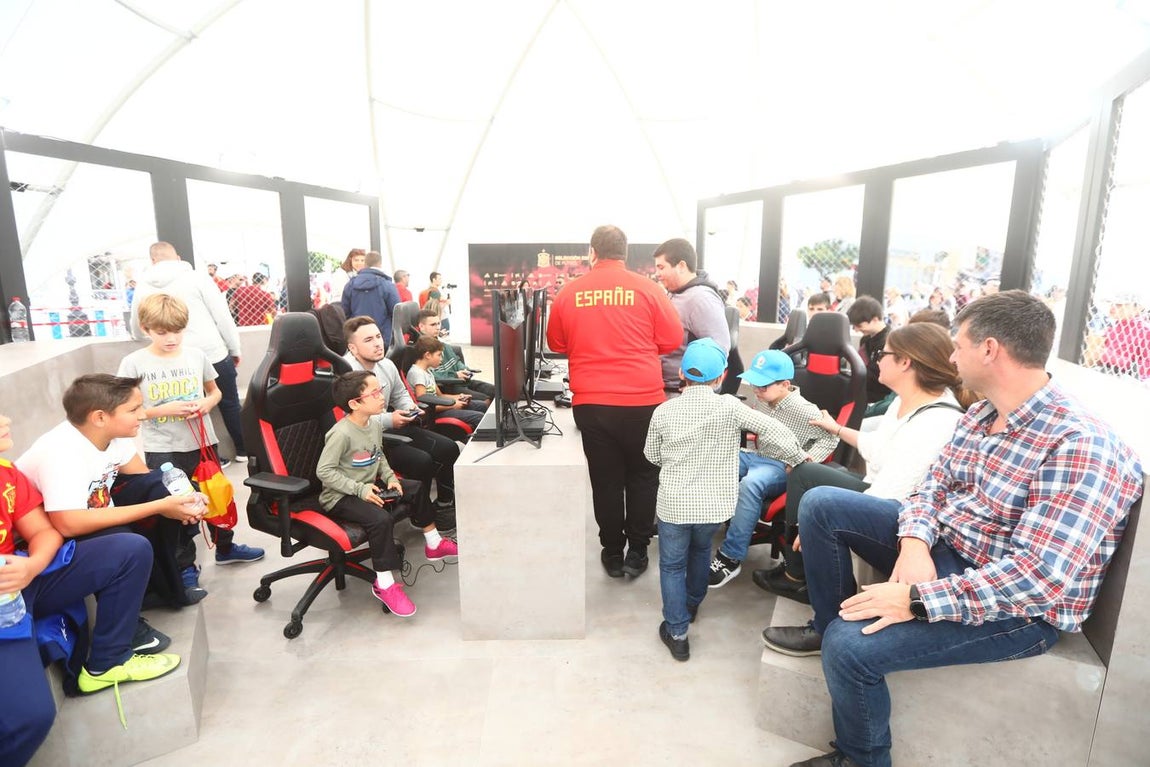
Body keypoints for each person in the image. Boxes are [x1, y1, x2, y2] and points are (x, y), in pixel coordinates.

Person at [763, 291, 1144, 767]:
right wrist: (915, 540)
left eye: (957, 344)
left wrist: (916, 600)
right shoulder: (982, 414)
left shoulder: (1079, 445)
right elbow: (931, 489)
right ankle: (829, 620)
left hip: (1019, 611)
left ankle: (861, 758)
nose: (949, 356)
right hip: (949, 551)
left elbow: (1038, 580)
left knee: (849, 646)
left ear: (989, 349)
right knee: (821, 504)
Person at [0, 414, 182, 767]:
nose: (6, 420)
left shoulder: (5, 472)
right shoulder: (60, 451)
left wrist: (32, 566)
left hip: (17, 589)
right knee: (29, 717)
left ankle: (108, 661)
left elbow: (45, 532)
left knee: (128, 549)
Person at [754, 322, 969, 604]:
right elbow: (878, 449)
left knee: (820, 503)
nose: (877, 360)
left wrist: (815, 524)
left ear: (905, 362)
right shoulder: (906, 401)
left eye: (883, 353)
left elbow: (893, 496)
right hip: (879, 490)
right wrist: (837, 429)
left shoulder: (936, 422)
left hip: (899, 517)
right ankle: (796, 574)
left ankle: (814, 589)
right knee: (805, 473)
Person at [16, 374, 210, 651]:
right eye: (133, 410)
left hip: (86, 516)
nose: (143, 416)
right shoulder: (61, 453)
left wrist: (184, 499)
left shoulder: (114, 436)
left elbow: (146, 478)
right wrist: (160, 507)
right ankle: (125, 633)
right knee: (123, 535)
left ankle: (160, 588)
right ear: (99, 417)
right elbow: (68, 524)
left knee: (165, 487)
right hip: (47, 539)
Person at [644, 339, 809, 661]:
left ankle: (677, 631)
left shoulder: (663, 410)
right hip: (713, 506)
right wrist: (797, 457)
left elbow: (651, 456)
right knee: (701, 552)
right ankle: (691, 606)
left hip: (674, 506)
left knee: (672, 564)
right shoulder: (731, 407)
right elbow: (774, 429)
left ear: (681, 373)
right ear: (721, 376)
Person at [546, 225, 683, 579]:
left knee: (606, 480)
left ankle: (611, 550)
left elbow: (557, 343)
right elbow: (671, 340)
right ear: (625, 252)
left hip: (592, 403)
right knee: (643, 476)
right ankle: (637, 551)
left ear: (592, 252)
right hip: (643, 402)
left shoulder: (569, 292)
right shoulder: (650, 290)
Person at [117, 293, 264, 585]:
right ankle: (184, 566)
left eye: (177, 331)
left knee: (216, 495)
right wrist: (163, 410)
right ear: (145, 329)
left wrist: (208, 403)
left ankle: (225, 546)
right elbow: (123, 411)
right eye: (162, 332)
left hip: (203, 443)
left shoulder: (196, 356)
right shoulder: (134, 363)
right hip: (163, 449)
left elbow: (215, 391)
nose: (171, 338)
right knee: (179, 507)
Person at [316, 371, 456, 618]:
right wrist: (359, 489)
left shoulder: (373, 425)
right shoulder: (341, 433)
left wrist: (391, 478)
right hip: (340, 496)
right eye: (375, 393)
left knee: (415, 488)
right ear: (354, 403)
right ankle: (385, 584)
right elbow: (324, 471)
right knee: (380, 519)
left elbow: (378, 456)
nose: (382, 397)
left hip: (368, 487)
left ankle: (434, 543)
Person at [707, 350, 836, 588]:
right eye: (754, 384)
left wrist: (805, 463)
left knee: (750, 484)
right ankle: (700, 529)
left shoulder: (805, 409)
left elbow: (830, 439)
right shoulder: (764, 399)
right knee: (713, 461)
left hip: (781, 465)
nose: (756, 391)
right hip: (757, 455)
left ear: (785, 384)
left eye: (762, 386)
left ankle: (731, 557)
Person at [131, 242, 247, 466]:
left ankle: (209, 459)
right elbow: (222, 316)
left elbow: (135, 326)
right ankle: (242, 451)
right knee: (230, 404)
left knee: (181, 406)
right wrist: (234, 349)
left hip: (169, 364)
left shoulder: (142, 284)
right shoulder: (198, 277)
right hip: (212, 351)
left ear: (153, 260)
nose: (172, 337)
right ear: (178, 257)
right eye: (164, 331)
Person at [343, 316, 461, 530]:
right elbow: (353, 421)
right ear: (353, 347)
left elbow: (400, 394)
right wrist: (390, 419)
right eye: (368, 340)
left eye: (378, 336)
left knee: (448, 448)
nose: (378, 343)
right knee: (421, 460)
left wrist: (409, 408)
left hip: (391, 426)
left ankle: (444, 504)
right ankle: (420, 514)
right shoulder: (347, 374)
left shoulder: (386, 364)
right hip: (367, 442)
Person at [652, 238, 730, 395]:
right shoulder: (675, 294)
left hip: (681, 392)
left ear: (681, 266)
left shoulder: (701, 299)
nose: (657, 274)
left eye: (661, 268)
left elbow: (719, 348)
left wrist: (693, 387)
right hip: (663, 386)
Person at [414, 308, 495, 402]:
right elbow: (430, 376)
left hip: (461, 381)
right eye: (433, 325)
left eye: (438, 323)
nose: (437, 327)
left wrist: (464, 369)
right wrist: (455, 375)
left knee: (495, 391)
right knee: (486, 400)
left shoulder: (442, 342)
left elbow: (456, 361)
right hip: (449, 386)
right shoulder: (421, 350)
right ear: (421, 326)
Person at [407, 335, 485, 429]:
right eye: (439, 355)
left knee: (482, 406)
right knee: (479, 417)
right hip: (433, 415)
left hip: (441, 407)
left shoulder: (427, 371)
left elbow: (440, 396)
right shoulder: (417, 374)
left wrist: (459, 397)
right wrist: (452, 405)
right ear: (427, 355)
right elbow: (424, 406)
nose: (441, 359)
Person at [341, 251, 400, 351]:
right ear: (380, 264)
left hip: (357, 337)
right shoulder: (387, 285)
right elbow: (397, 313)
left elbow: (345, 312)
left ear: (365, 264)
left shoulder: (350, 285)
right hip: (381, 338)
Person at [847, 295, 894, 414]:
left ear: (875, 319)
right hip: (863, 392)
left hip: (878, 398)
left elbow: (879, 377)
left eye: (859, 325)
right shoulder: (865, 340)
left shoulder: (889, 342)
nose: (856, 330)